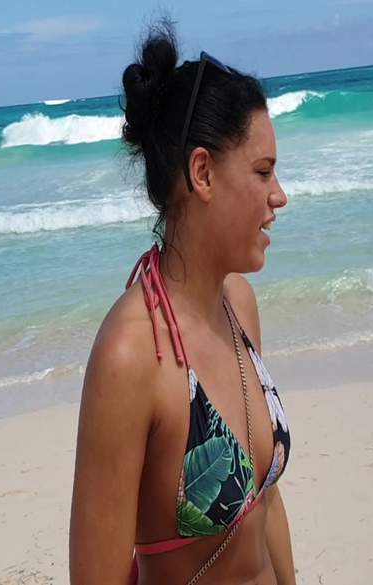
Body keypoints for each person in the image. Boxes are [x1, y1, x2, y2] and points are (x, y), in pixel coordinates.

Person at [68, 19, 293, 585]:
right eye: (263, 172)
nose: (280, 195)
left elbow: (266, 504)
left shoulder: (238, 307)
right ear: (202, 173)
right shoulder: (130, 354)